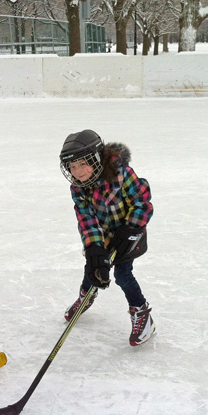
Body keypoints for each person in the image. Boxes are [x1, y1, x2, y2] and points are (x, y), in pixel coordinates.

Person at [59, 129, 155, 346]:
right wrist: (94, 248)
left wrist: (130, 230)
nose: (77, 171)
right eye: (72, 167)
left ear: (95, 158)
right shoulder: (78, 187)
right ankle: (87, 296)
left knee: (122, 275)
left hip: (129, 235)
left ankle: (142, 313)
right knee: (92, 268)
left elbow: (143, 202)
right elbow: (86, 217)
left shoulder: (122, 174)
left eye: (82, 164)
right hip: (103, 237)